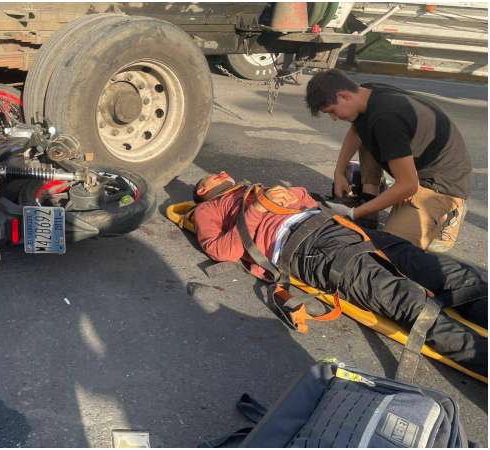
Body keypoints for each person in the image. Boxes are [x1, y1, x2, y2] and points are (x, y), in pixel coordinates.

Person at [191, 171, 487, 376]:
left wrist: (288, 196)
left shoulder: (254, 187)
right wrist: (256, 209)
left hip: (338, 227)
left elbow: (308, 200)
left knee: (438, 268)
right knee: (405, 299)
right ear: (203, 191)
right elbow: (221, 250)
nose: (218, 174)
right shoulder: (209, 209)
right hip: (308, 247)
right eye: (209, 178)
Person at [305, 69, 473, 253]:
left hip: (441, 185)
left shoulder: (386, 118)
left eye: (332, 112)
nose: (334, 118)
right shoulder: (365, 93)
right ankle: (369, 203)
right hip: (418, 169)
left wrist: (352, 213)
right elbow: (356, 131)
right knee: (366, 129)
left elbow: (408, 186)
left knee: (390, 253)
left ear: (343, 95)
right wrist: (339, 172)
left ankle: (448, 214)